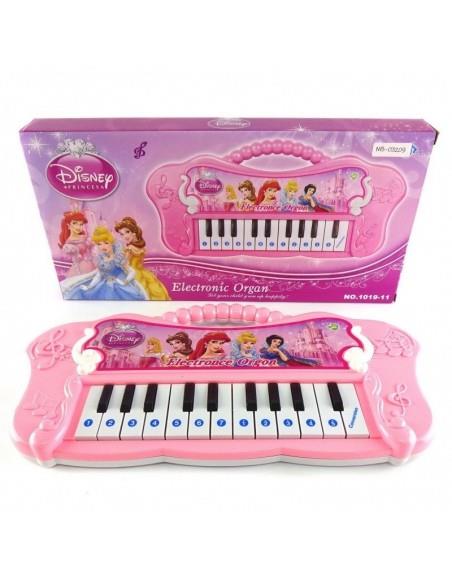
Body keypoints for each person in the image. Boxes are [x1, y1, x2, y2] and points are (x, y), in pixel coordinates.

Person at [61, 226, 147, 300]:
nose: (103, 246)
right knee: (85, 293)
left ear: (111, 243)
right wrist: (89, 286)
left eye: (106, 243)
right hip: (104, 285)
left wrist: (124, 282)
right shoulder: (101, 259)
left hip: (119, 285)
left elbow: (132, 272)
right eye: (99, 244)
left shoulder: (118, 258)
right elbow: (98, 275)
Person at [115, 216, 171, 300]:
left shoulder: (130, 249)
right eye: (122, 234)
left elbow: (124, 264)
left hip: (133, 274)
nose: (125, 236)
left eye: (127, 232)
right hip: (142, 272)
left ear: (134, 232)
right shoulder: (140, 247)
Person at [58, 210, 95, 277]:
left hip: (92, 266)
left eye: (81, 224)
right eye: (75, 223)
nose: (78, 227)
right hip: (80, 270)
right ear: (68, 225)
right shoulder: (68, 244)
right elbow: (76, 257)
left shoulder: (85, 237)